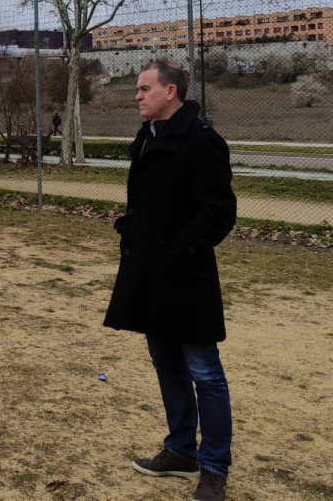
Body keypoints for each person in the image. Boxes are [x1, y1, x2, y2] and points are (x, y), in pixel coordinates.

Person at [103, 59, 237, 501]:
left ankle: (214, 467)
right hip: (150, 274)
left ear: (171, 91)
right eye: (138, 90)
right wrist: (134, 227)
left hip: (186, 276)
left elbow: (218, 212)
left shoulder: (201, 142)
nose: (137, 96)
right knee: (166, 364)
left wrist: (180, 248)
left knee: (204, 372)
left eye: (144, 88)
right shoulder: (146, 139)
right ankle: (180, 449)